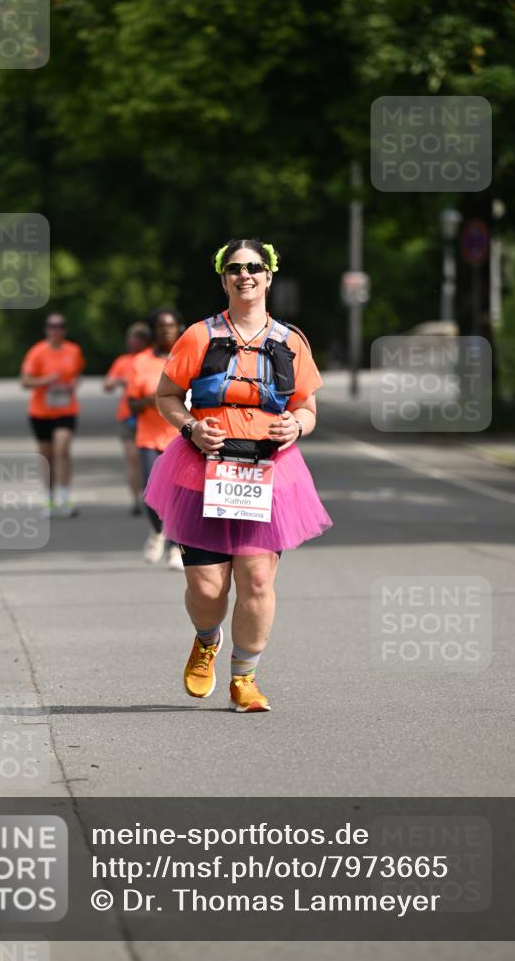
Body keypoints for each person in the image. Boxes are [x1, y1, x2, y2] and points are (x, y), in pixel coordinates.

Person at [146, 239, 332, 712]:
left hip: (269, 472)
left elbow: (307, 407)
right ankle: (207, 638)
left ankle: (244, 678)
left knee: (256, 581)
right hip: (202, 470)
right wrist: (190, 426)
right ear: (223, 277)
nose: (244, 275)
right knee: (208, 590)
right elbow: (166, 397)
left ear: (269, 276)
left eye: (254, 267)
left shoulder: (291, 341)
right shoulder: (198, 336)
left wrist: (297, 425)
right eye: (234, 268)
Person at [126, 308, 186, 570]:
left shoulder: (188, 357)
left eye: (171, 326)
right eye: (161, 326)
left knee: (177, 496)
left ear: (179, 328)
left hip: (180, 437)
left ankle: (175, 548)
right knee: (150, 494)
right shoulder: (140, 361)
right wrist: (148, 402)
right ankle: (157, 530)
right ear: (154, 331)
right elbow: (131, 404)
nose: (167, 330)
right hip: (149, 436)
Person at [20, 313, 85, 517]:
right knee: (46, 456)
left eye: (60, 326)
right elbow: (25, 382)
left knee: (62, 450)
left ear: (64, 330)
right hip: (41, 411)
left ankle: (65, 497)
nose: (56, 330)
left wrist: (74, 384)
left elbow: (77, 376)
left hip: (66, 409)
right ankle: (49, 498)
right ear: (46, 329)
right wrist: (46, 380)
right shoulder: (37, 352)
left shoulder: (73, 351)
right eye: (52, 326)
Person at [104, 322, 152, 515]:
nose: (134, 341)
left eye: (139, 337)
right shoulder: (123, 362)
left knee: (149, 461)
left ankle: (151, 497)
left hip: (150, 418)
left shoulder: (152, 359)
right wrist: (119, 381)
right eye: (132, 337)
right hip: (128, 417)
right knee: (132, 458)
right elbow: (107, 385)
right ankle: (136, 499)